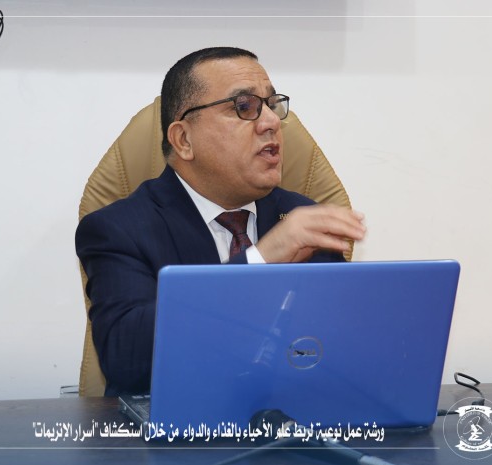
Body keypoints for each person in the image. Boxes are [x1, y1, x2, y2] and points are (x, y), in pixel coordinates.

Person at [76, 47, 366, 396]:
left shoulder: (303, 219)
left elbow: (338, 352)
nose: (272, 122)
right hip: (180, 426)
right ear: (183, 140)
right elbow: (127, 360)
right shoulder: (119, 230)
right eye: (244, 106)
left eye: (272, 105)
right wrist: (260, 260)